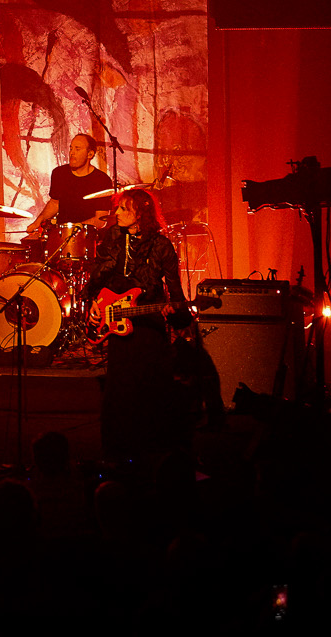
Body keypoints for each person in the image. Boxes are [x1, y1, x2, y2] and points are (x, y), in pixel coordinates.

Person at [82, 187, 189, 459]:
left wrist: (174, 314)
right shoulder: (114, 237)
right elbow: (100, 275)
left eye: (123, 209)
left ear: (139, 213)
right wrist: (95, 302)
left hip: (148, 326)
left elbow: (176, 296)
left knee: (151, 390)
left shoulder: (162, 246)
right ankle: (116, 452)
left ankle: (154, 453)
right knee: (118, 391)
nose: (116, 212)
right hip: (117, 322)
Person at [29, 133, 113, 237]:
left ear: (90, 154)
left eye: (77, 149)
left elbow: (101, 220)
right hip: (60, 236)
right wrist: (38, 221)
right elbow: (55, 203)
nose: (72, 153)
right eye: (71, 148)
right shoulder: (59, 173)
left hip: (86, 238)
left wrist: (72, 229)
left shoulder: (102, 180)